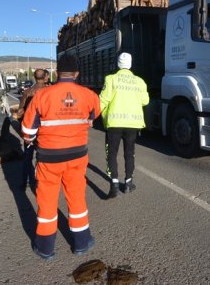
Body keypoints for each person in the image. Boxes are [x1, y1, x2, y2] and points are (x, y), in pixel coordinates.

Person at [21, 54, 101, 259]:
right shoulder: (89, 95)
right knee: (76, 197)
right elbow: (94, 115)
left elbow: (27, 131)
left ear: (57, 73)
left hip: (49, 158)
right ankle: (82, 242)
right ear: (76, 74)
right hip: (77, 156)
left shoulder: (42, 96)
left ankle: (46, 248)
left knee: (47, 200)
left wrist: (32, 140)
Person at [99, 52, 149, 199]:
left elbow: (103, 100)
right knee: (129, 153)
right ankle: (128, 183)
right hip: (133, 124)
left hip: (114, 123)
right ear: (130, 64)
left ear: (118, 64)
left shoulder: (111, 79)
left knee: (112, 153)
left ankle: (114, 184)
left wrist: (91, 116)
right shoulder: (140, 81)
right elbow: (145, 100)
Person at [16, 68, 49, 191]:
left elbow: (20, 112)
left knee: (27, 157)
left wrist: (22, 127)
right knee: (43, 158)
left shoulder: (28, 92)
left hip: (30, 131)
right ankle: (40, 183)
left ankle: (24, 183)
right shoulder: (49, 91)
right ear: (46, 77)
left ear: (34, 77)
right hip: (45, 131)